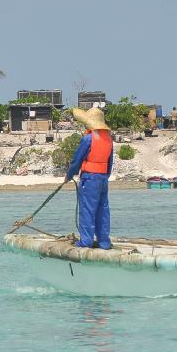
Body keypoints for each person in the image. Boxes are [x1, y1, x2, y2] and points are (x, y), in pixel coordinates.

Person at [65, 107, 113, 249]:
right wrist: (104, 177)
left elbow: (77, 160)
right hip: (103, 178)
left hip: (90, 179)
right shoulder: (108, 139)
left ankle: (86, 242)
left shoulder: (88, 138)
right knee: (103, 209)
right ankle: (104, 242)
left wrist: (68, 175)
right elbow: (110, 162)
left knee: (87, 209)